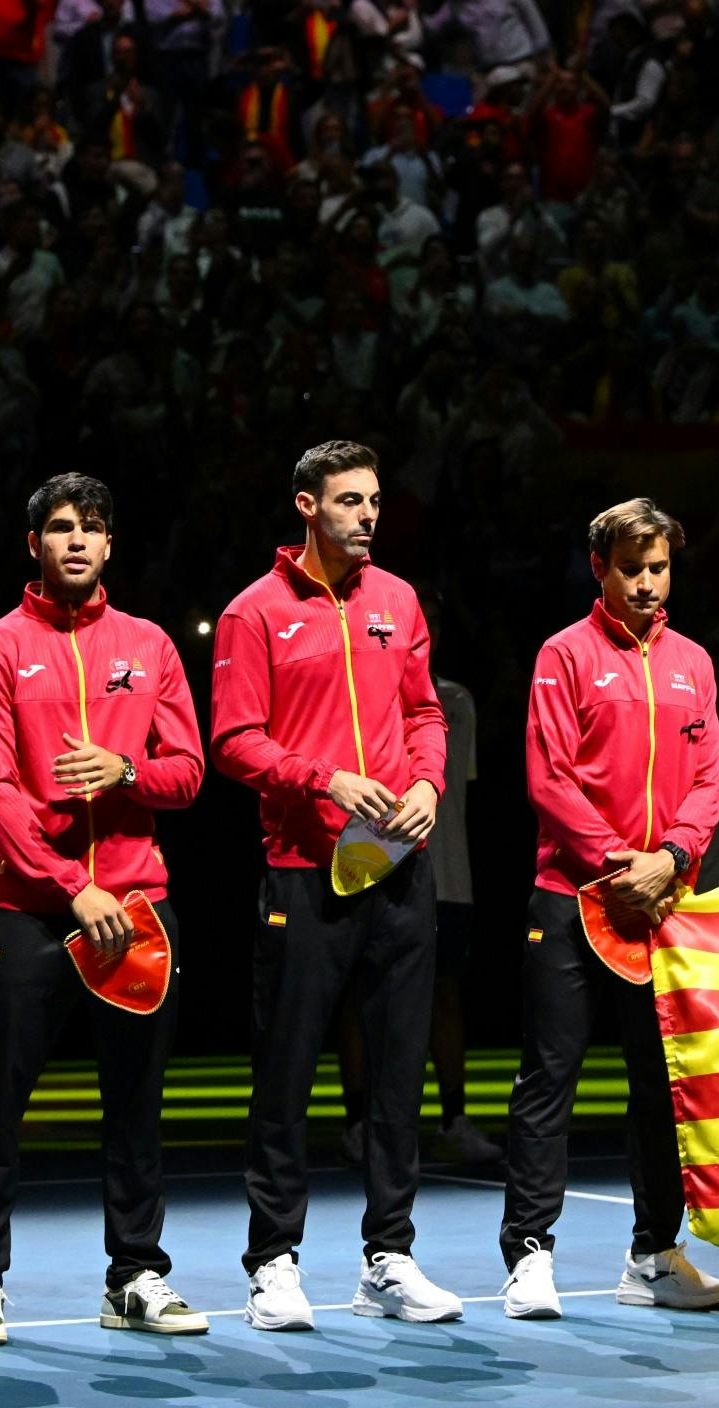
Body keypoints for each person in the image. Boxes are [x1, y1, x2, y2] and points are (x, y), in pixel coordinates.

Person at [0, 471, 211, 1346]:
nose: (76, 541)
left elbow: (189, 772)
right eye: (60, 527)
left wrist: (128, 771)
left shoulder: (151, 644)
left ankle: (135, 1274)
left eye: (91, 528)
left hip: (139, 908)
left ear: (109, 545)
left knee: (136, 1102)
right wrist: (71, 884)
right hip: (33, 910)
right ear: (35, 544)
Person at [211, 440, 463, 1327]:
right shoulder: (254, 612)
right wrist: (324, 778)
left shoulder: (397, 600)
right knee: (286, 1074)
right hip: (302, 873)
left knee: (398, 1076)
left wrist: (428, 781)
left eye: (376, 500)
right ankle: (273, 1262)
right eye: (351, 501)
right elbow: (234, 739)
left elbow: (425, 710)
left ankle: (388, 1258)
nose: (368, 515)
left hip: (399, 869)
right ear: (307, 507)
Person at [498, 498, 719, 1320]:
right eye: (630, 568)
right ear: (599, 567)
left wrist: (669, 858)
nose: (645, 583)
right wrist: (614, 862)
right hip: (570, 899)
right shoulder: (563, 655)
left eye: (658, 568)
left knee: (659, 1087)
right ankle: (529, 1255)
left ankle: (656, 1255)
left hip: (663, 903)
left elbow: (711, 778)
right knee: (549, 1079)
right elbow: (548, 776)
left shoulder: (695, 663)